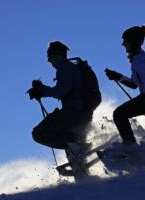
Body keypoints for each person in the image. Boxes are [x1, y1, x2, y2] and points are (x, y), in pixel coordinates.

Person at [27, 41, 95, 180]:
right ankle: (84, 179)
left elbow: (61, 91)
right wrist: (43, 89)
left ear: (58, 55)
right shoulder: (71, 68)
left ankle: (76, 147)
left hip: (74, 113)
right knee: (71, 143)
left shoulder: (65, 68)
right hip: (83, 114)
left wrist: (42, 91)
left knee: (39, 133)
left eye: (50, 55)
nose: (48, 59)